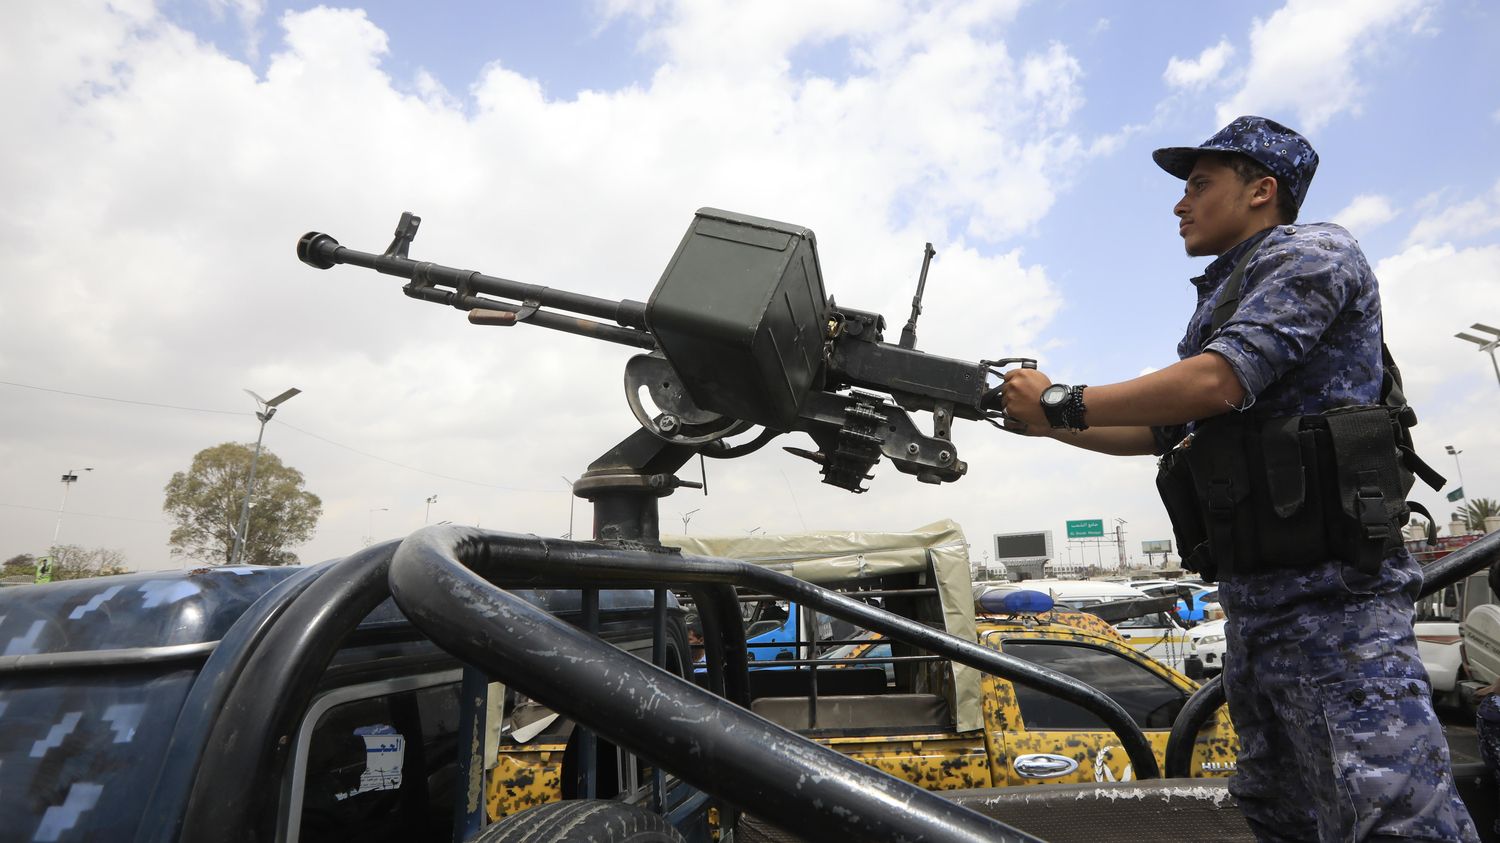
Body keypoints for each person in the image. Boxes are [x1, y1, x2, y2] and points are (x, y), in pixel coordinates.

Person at [1000, 116, 1478, 842]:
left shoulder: (1312, 253)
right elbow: (1162, 430)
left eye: (1199, 184)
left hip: (1335, 614)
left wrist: (1066, 399)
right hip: (1259, 611)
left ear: (1262, 191)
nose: (1179, 203)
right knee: (1284, 815)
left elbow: (1218, 382)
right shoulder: (1225, 296)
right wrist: (1046, 421)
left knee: (1396, 823)